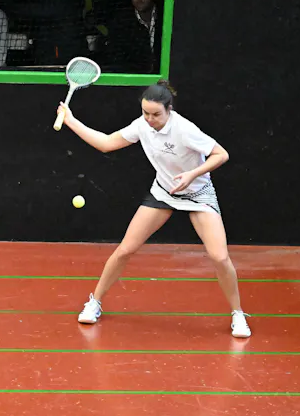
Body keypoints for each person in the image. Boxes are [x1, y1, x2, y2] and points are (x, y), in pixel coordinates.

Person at [58, 81, 251, 338]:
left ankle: (238, 314)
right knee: (125, 249)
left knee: (219, 257)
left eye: (156, 114)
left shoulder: (184, 129)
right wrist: (71, 120)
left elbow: (221, 154)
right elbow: (106, 143)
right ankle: (95, 302)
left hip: (197, 194)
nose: (150, 119)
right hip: (163, 191)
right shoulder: (142, 125)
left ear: (169, 110)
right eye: (145, 113)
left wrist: (192, 174)